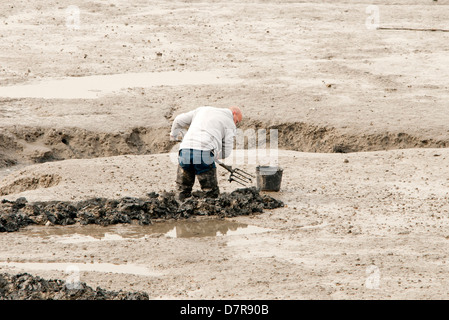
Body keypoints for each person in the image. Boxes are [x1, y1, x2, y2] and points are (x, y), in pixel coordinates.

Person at [170, 106, 242, 201]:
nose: (235, 124)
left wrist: (173, 135)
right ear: (233, 113)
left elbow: (178, 120)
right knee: (211, 193)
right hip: (204, 155)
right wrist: (217, 154)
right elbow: (226, 152)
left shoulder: (202, 109)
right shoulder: (230, 123)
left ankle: (179, 209)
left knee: (182, 190)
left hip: (185, 151)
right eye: (237, 121)